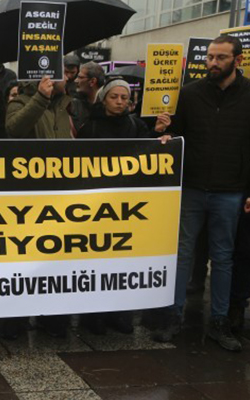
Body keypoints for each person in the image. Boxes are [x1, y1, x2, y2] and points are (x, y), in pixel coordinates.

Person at [153, 35, 250, 352]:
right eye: (210, 57)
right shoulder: (190, 93)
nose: (212, 63)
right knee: (182, 254)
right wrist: (164, 133)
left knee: (223, 258)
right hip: (192, 188)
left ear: (237, 60)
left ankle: (219, 321)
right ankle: (172, 316)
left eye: (220, 58)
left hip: (230, 191)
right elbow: (176, 135)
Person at [77, 79, 166, 335]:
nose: (119, 102)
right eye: (114, 97)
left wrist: (158, 135)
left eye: (124, 98)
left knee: (123, 261)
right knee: (95, 261)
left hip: (127, 203)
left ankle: (119, 314)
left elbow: (147, 153)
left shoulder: (136, 125)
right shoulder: (90, 126)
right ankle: (92, 316)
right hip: (96, 202)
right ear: (104, 99)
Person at [5, 74, 72, 338]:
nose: (67, 77)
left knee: (56, 259)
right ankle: (16, 319)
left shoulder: (66, 106)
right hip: (29, 195)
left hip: (60, 196)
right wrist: (40, 99)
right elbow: (14, 129)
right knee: (24, 260)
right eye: (62, 73)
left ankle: (54, 318)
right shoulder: (20, 101)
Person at [6, 76, 72, 140]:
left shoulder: (63, 103)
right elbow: (13, 130)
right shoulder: (20, 102)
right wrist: (41, 98)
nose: (67, 78)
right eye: (63, 74)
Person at [71, 62, 105, 131]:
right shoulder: (74, 104)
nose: (76, 80)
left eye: (80, 77)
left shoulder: (107, 105)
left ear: (92, 81)